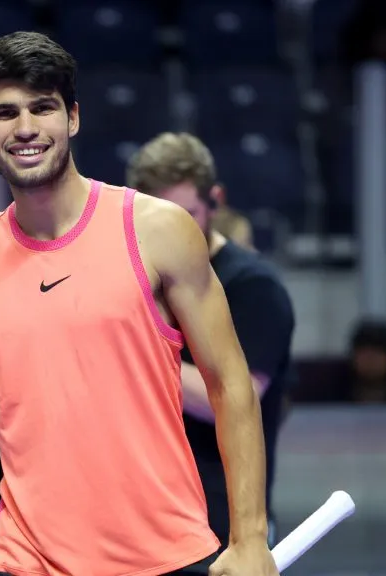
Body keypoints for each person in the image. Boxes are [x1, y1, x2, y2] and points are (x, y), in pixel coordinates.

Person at [0, 32, 277, 576]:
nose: (24, 129)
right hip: (25, 560)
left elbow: (232, 385)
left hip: (165, 554)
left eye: (43, 108)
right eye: (4, 113)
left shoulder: (157, 230)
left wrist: (249, 538)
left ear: (73, 118)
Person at [126, 131, 297, 553]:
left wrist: (130, 347)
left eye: (186, 214)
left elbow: (233, 397)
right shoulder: (131, 281)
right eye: (156, 216)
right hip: (137, 513)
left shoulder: (254, 287)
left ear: (215, 199)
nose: (170, 230)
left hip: (221, 519)